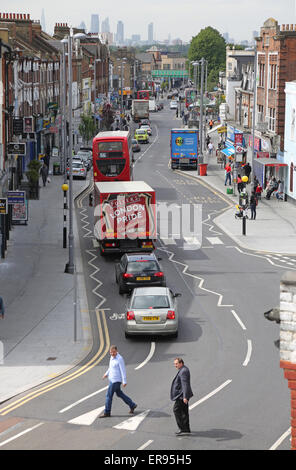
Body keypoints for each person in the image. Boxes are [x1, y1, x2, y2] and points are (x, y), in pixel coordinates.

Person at [100, 345, 137, 418]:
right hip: (111, 379)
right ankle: (132, 405)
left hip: (116, 380)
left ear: (116, 351)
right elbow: (110, 368)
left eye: (113, 352)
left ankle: (107, 412)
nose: (112, 354)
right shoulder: (111, 358)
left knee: (108, 396)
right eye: (111, 352)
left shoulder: (119, 359)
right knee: (119, 393)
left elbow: (123, 370)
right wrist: (106, 374)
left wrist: (124, 381)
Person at [170, 357, 193, 435]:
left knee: (176, 409)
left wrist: (185, 397)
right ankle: (186, 428)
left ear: (181, 363)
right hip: (183, 395)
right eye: (174, 364)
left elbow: (185, 384)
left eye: (176, 364)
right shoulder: (183, 369)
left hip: (181, 395)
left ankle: (182, 428)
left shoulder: (183, 371)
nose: (175, 365)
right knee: (184, 411)